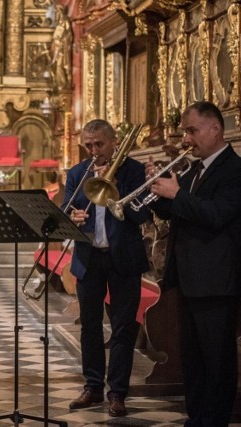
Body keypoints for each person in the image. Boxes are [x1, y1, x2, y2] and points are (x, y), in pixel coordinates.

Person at [145, 101, 241, 426]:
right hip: (188, 278)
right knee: (194, 358)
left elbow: (217, 216)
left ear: (215, 128)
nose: (187, 138)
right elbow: (179, 212)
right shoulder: (195, 169)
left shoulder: (233, 170)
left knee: (217, 360)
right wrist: (160, 195)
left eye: (192, 130)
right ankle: (196, 417)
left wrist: (177, 194)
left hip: (216, 281)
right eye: (185, 130)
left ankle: (213, 421)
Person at [64, 119, 150, 417]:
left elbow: (142, 217)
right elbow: (64, 211)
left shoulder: (134, 171)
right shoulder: (77, 173)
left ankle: (117, 392)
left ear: (113, 142)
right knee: (89, 326)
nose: (94, 150)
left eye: (99, 144)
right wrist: (71, 217)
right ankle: (92, 387)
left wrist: (115, 191)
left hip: (124, 257)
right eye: (88, 145)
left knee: (123, 328)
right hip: (89, 258)